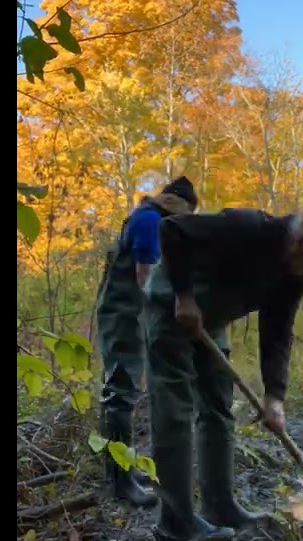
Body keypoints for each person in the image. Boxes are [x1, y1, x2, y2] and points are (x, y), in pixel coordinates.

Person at [144, 209, 303, 541]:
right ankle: (175, 521)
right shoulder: (247, 227)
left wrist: (274, 396)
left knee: (219, 409)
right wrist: (183, 296)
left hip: (211, 320)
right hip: (171, 305)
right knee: (175, 410)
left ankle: (220, 508)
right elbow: (172, 229)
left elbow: (278, 332)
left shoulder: (295, 277)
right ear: (301, 241)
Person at [95, 177, 198, 508]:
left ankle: (122, 470)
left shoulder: (145, 216)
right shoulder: (150, 220)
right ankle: (121, 482)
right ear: (175, 204)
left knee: (122, 391)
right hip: (122, 315)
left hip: (129, 314)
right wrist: (175, 313)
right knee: (119, 392)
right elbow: (146, 277)